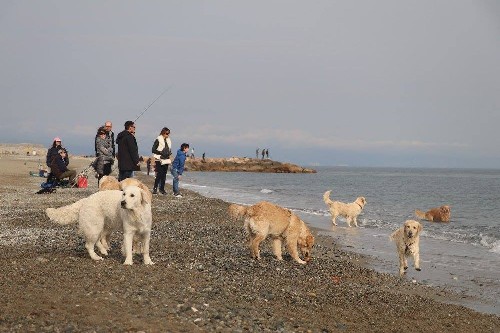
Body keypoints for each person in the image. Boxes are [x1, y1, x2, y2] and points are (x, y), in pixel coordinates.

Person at [151, 127, 172, 194]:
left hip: (166, 159)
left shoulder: (168, 140)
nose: (167, 135)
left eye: (168, 134)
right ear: (163, 133)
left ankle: (162, 189)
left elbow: (169, 149)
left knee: (164, 175)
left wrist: (168, 153)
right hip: (159, 159)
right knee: (159, 174)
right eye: (166, 133)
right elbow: (153, 150)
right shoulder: (158, 139)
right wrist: (161, 152)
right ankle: (155, 188)